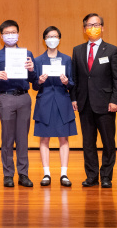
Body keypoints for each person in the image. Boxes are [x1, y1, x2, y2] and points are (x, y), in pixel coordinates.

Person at [71, 13, 117, 188]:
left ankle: (106, 176)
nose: (93, 28)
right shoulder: (77, 50)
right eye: (89, 25)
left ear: (102, 27)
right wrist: (74, 98)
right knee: (88, 143)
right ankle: (92, 176)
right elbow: (75, 78)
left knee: (108, 142)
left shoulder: (112, 50)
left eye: (96, 25)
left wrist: (116, 100)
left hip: (106, 104)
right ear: (84, 29)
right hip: (85, 103)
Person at [0, 20, 37, 188]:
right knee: (7, 138)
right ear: (1, 36)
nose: (11, 35)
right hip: (6, 98)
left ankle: (23, 174)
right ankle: (8, 174)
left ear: (18, 34)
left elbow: (34, 80)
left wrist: (31, 70)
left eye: (13, 32)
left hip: (24, 97)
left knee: (22, 139)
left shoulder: (27, 54)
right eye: (7, 33)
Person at [32, 26, 76, 187]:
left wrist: (66, 82)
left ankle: (64, 174)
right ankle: (46, 173)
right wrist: (39, 81)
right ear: (44, 39)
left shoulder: (66, 59)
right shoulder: (37, 60)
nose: (52, 39)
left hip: (62, 100)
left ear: (59, 38)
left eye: (55, 36)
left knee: (63, 138)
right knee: (44, 138)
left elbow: (71, 82)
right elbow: (34, 86)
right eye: (49, 36)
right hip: (44, 101)